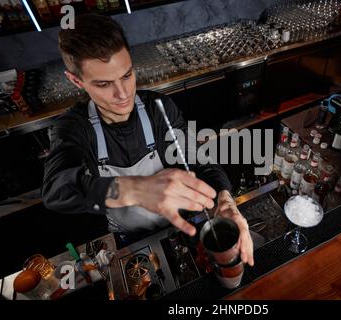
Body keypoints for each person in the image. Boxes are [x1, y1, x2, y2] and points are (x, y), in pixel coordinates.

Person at [42, 14, 253, 266]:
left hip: (180, 224)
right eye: (104, 84)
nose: (122, 94)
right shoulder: (73, 128)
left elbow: (197, 160)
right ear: (76, 81)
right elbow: (57, 189)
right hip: (129, 239)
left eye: (127, 75)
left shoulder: (157, 108)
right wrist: (135, 188)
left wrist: (225, 199)